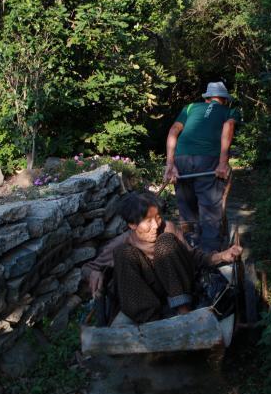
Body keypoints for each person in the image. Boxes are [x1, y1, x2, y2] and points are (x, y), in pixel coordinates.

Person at [86, 193, 242, 324]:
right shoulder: (123, 242)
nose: (155, 225)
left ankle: (183, 310)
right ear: (132, 225)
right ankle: (150, 322)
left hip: (179, 286)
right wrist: (95, 270)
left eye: (158, 218)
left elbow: (193, 256)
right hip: (148, 295)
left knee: (165, 241)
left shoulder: (168, 229)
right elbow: (91, 267)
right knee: (123, 253)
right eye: (148, 221)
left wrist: (222, 256)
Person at [164, 81, 240, 252]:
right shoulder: (230, 111)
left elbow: (174, 130)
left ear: (207, 99)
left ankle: (190, 248)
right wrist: (222, 162)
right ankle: (210, 256)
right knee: (210, 207)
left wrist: (170, 164)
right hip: (207, 159)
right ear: (225, 99)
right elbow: (228, 126)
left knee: (186, 206)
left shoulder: (190, 107)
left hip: (181, 158)